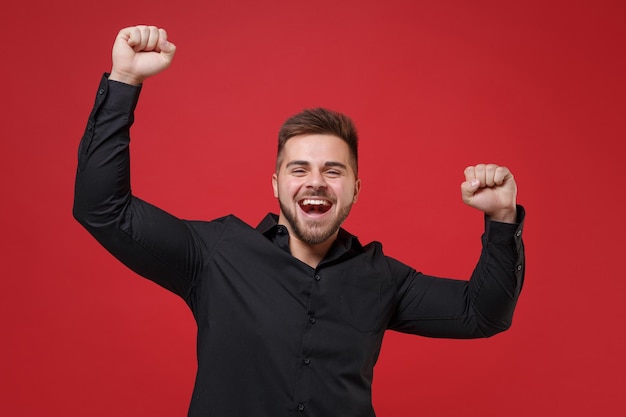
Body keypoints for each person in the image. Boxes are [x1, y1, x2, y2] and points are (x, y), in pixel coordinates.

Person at [73, 25, 525, 417]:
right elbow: (103, 209)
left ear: (355, 189)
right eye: (299, 169)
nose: (316, 183)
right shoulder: (216, 255)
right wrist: (125, 80)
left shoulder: (382, 278)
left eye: (333, 171)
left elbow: (480, 314)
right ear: (275, 185)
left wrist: (501, 218)